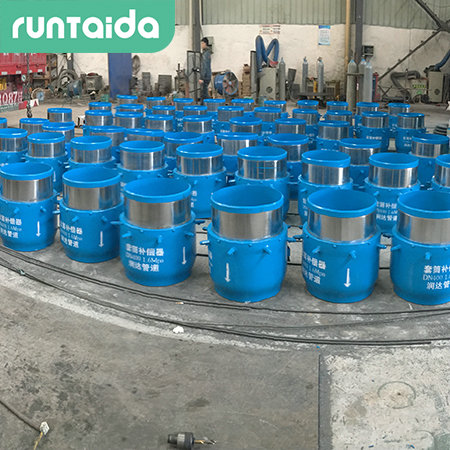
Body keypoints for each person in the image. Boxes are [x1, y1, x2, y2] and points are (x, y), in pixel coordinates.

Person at [199, 37, 212, 102]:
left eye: (202, 43)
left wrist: (202, 78)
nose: (201, 45)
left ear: (205, 43)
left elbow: (205, 66)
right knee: (203, 94)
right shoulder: (207, 53)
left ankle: (210, 105)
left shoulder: (206, 54)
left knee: (204, 94)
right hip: (207, 75)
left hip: (205, 76)